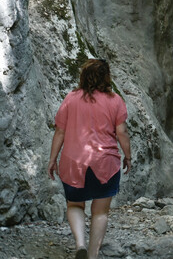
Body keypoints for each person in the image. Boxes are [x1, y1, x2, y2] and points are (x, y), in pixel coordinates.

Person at [47, 59, 132, 259]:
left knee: (75, 205)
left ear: (83, 77)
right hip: (105, 162)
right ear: (106, 77)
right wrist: (128, 156)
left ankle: (80, 245)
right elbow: (122, 132)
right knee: (100, 212)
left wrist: (52, 159)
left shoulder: (71, 98)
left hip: (73, 162)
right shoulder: (115, 100)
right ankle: (92, 256)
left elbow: (60, 131)